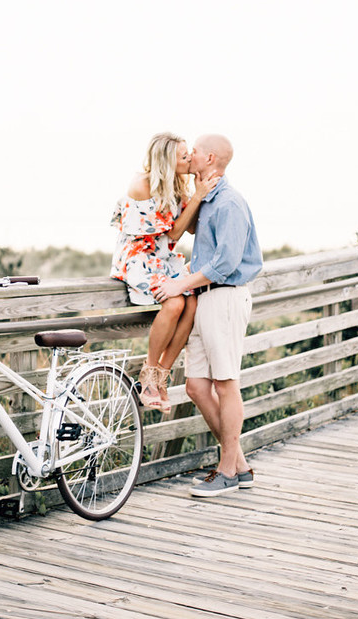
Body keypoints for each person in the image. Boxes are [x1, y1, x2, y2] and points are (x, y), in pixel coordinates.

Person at [153, 134, 263, 497]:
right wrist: (195, 193)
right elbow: (180, 230)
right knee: (196, 385)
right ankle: (240, 465)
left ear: (210, 157)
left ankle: (227, 469)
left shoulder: (230, 202)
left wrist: (179, 284)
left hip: (225, 298)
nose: (190, 155)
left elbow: (226, 263)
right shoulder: (209, 198)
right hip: (205, 299)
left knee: (225, 383)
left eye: (195, 151)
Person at [111, 132, 218, 412]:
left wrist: (195, 192)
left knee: (192, 301)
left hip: (162, 257)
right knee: (175, 302)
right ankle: (148, 374)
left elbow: (191, 227)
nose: (189, 159)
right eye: (184, 156)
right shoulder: (142, 186)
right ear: (167, 160)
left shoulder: (178, 184)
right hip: (138, 257)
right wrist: (198, 196)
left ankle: (161, 376)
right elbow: (174, 230)